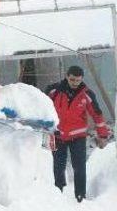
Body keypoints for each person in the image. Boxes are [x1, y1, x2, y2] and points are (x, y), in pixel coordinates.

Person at [44, 65, 110, 202]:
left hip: (78, 137)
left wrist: (103, 135)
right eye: (72, 79)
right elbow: (42, 107)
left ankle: (81, 197)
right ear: (67, 76)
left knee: (79, 168)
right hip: (58, 135)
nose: (75, 83)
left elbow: (97, 114)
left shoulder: (87, 94)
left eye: (78, 80)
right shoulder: (53, 91)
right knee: (58, 167)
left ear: (82, 79)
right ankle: (58, 195)